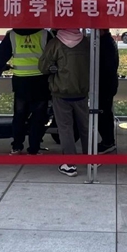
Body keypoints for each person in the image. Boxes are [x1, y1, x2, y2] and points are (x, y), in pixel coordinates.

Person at [0, 28, 54, 155]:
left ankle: (17, 146)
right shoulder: (45, 34)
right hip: (40, 81)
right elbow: (54, 55)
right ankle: (34, 148)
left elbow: (1, 56)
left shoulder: (12, 35)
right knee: (38, 116)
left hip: (21, 81)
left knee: (19, 115)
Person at [39, 29, 90, 177]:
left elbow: (43, 67)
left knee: (65, 128)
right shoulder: (85, 42)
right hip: (81, 91)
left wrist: (53, 67)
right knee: (85, 126)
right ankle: (90, 159)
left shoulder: (55, 43)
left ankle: (70, 164)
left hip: (61, 92)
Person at [98, 29, 119, 154]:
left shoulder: (105, 44)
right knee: (105, 113)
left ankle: (108, 141)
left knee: (103, 113)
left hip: (105, 84)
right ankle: (107, 140)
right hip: (108, 83)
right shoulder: (108, 42)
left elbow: (105, 67)